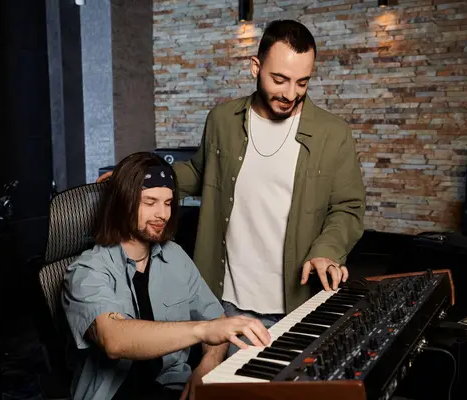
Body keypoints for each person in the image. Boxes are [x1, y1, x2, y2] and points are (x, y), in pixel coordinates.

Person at [98, 19, 366, 356]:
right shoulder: (222, 120)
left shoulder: (334, 133)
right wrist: (136, 179)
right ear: (255, 66)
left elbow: (348, 207)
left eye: (302, 82)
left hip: (294, 306)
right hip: (222, 302)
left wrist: (328, 248)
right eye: (279, 79)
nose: (290, 93)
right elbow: (197, 173)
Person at [62, 152, 271, 400]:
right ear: (123, 203)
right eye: (150, 202)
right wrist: (203, 330)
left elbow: (217, 319)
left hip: (172, 388)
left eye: (168, 203)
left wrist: (207, 366)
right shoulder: (87, 271)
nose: (163, 214)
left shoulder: (175, 256)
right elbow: (114, 339)